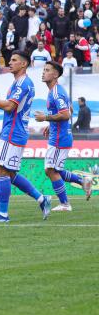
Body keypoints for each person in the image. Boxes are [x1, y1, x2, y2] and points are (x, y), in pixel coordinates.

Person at [0, 51, 51, 222]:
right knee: (8, 172)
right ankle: (42, 199)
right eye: (9, 59)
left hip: (13, 132)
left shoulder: (22, 84)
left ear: (24, 64)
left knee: (2, 169)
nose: (9, 62)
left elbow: (10, 106)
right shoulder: (19, 83)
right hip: (13, 131)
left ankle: (3, 214)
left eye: (14, 60)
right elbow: (9, 106)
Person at [34, 61, 92, 212]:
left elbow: (66, 114)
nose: (43, 72)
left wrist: (46, 118)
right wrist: (51, 124)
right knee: (55, 170)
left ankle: (65, 204)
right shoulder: (56, 90)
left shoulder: (56, 92)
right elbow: (70, 110)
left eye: (47, 70)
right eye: (44, 70)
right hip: (58, 134)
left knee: (50, 170)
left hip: (60, 138)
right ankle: (82, 181)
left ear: (55, 74)